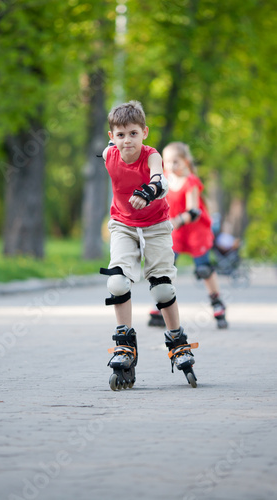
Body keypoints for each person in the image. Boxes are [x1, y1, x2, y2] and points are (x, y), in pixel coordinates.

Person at [100, 102, 198, 390]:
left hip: (155, 225)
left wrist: (150, 190)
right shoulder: (109, 154)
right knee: (117, 283)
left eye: (133, 133)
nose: (127, 140)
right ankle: (124, 343)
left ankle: (178, 341)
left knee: (163, 288)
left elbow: (160, 178)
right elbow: (110, 148)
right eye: (120, 135)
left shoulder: (151, 155)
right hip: (123, 225)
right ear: (112, 136)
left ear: (144, 132)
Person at [148, 141, 228, 329]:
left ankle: (217, 303)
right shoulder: (164, 179)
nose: (171, 166)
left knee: (204, 269)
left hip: (195, 230)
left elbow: (194, 211)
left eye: (176, 162)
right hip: (175, 232)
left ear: (185, 161)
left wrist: (176, 221)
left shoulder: (191, 181)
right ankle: (161, 305)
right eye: (167, 162)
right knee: (166, 267)